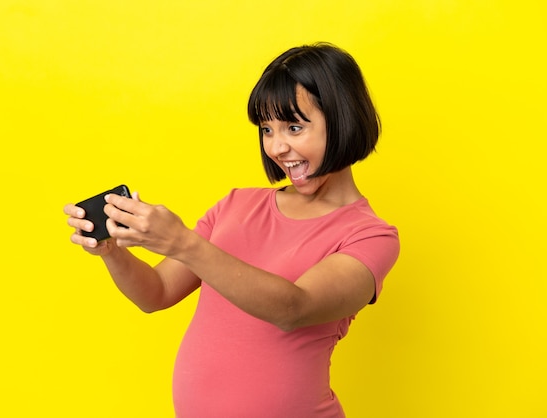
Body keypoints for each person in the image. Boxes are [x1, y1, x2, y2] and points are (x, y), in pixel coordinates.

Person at [64, 42, 399, 418]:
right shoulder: (237, 205)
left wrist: (183, 243)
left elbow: (293, 308)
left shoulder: (370, 236)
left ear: (343, 119)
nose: (277, 146)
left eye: (294, 127)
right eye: (267, 130)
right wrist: (113, 252)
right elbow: (155, 294)